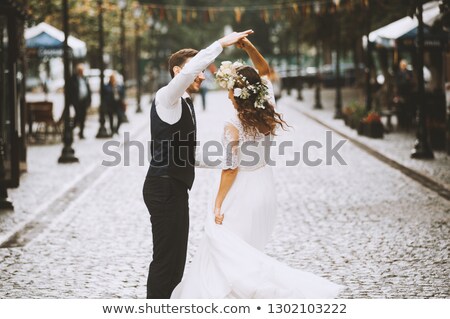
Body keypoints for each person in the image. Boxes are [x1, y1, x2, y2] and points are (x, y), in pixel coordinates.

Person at [171, 38, 344, 299]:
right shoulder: (267, 108)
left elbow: (231, 168)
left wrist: (217, 205)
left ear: (237, 92)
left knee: (227, 253)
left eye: (230, 88)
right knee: (247, 252)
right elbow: (264, 71)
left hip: (241, 195)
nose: (228, 94)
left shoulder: (233, 123)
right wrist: (249, 47)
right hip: (265, 189)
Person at [142, 30, 254, 299]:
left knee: (176, 262)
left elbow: (187, 154)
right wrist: (220, 44)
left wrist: (227, 160)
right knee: (165, 260)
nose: (203, 75)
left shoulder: (185, 104)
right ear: (180, 71)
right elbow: (192, 68)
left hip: (176, 188)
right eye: (199, 70)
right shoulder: (167, 97)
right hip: (163, 188)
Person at [70, 63, 91, 139]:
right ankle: (71, 130)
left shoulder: (85, 78)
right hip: (77, 101)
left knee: (83, 117)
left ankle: (81, 133)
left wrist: (89, 101)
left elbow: (88, 90)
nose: (82, 72)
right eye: (80, 70)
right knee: (78, 115)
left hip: (84, 101)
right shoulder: (73, 79)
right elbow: (71, 91)